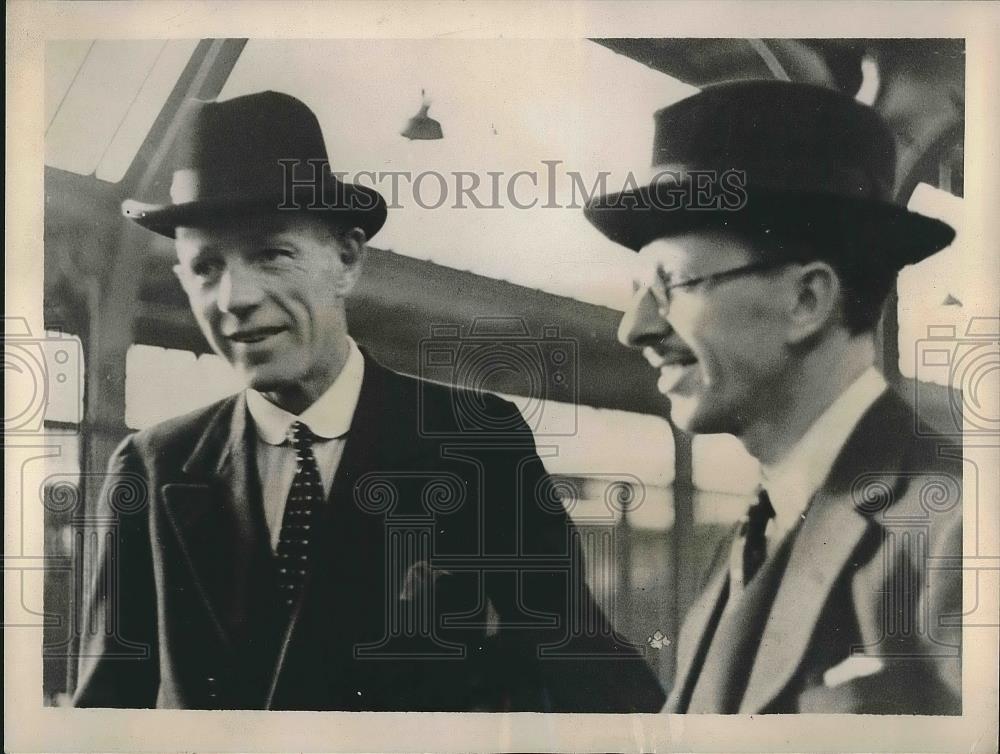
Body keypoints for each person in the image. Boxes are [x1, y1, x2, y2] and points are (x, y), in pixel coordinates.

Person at [73, 90, 665, 712]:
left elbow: (576, 654)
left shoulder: (472, 438)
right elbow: (106, 708)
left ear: (347, 260)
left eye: (272, 254)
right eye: (206, 268)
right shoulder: (153, 464)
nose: (234, 298)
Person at [584, 81, 962, 714]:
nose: (636, 328)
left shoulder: (959, 536)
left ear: (807, 301)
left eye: (671, 284)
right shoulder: (752, 537)